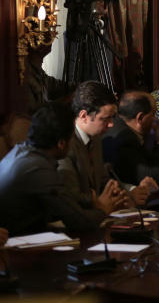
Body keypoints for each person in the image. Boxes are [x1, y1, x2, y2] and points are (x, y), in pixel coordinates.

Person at [0, 103, 125, 236]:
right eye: (72, 137)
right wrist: (103, 210)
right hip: (13, 246)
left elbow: (65, 201)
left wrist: (93, 203)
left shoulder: (21, 151)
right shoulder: (39, 168)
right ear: (61, 143)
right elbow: (78, 221)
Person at [58, 81, 153, 210]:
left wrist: (133, 190)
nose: (111, 124)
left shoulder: (96, 138)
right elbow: (72, 198)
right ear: (84, 116)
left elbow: (104, 181)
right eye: (105, 119)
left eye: (112, 118)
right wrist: (111, 202)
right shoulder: (64, 145)